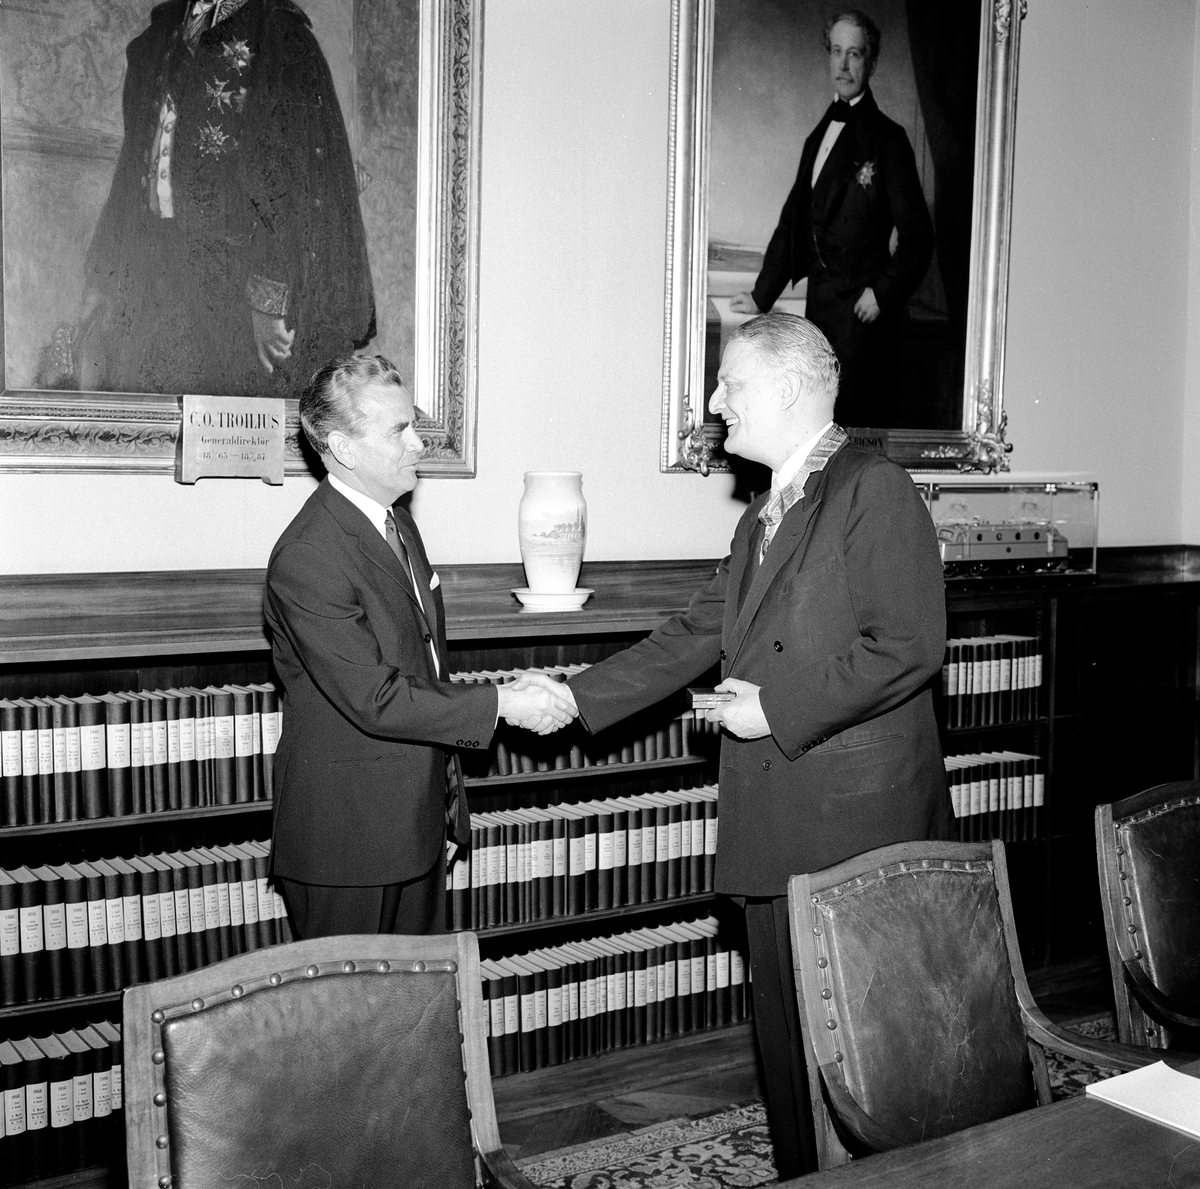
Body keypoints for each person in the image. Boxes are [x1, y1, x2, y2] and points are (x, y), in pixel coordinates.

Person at [532, 314, 949, 1178]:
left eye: (732, 382)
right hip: (775, 822)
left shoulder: (875, 489)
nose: (716, 401)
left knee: (873, 1066)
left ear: (790, 387)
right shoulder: (764, 513)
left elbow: (908, 645)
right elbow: (693, 634)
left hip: (857, 835)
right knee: (792, 1056)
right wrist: (573, 696)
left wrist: (775, 709)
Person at [264, 354, 576, 938]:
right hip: (348, 842)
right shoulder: (309, 555)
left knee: (421, 995)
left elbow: (425, 668)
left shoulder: (397, 524)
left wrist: (446, 810)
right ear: (344, 448)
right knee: (355, 999)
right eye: (398, 430)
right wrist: (504, 703)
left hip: (415, 824)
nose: (418, 443)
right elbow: (376, 698)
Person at [81, 0, 374, 396]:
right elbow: (133, 163)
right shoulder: (166, 29)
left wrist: (268, 303)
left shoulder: (278, 33)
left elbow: (288, 180)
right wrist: (103, 275)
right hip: (158, 261)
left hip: (234, 274)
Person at [730, 10, 933, 428]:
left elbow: (918, 236)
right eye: (836, 52)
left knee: (855, 434)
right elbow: (792, 222)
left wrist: (882, 294)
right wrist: (761, 296)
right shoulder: (817, 135)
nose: (843, 64)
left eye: (854, 54)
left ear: (871, 61)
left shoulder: (888, 139)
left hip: (863, 322)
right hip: (819, 317)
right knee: (819, 430)